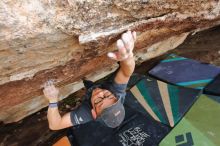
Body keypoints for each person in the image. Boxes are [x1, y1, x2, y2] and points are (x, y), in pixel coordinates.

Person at [43, 30, 137, 130]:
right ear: (115, 96)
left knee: (89, 85)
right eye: (107, 95)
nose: (100, 93)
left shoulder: (86, 114)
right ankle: (88, 83)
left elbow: (55, 125)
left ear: (93, 112)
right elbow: (126, 73)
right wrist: (127, 58)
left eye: (98, 101)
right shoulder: (117, 94)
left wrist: (52, 100)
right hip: (108, 84)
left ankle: (86, 81)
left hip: (93, 94)